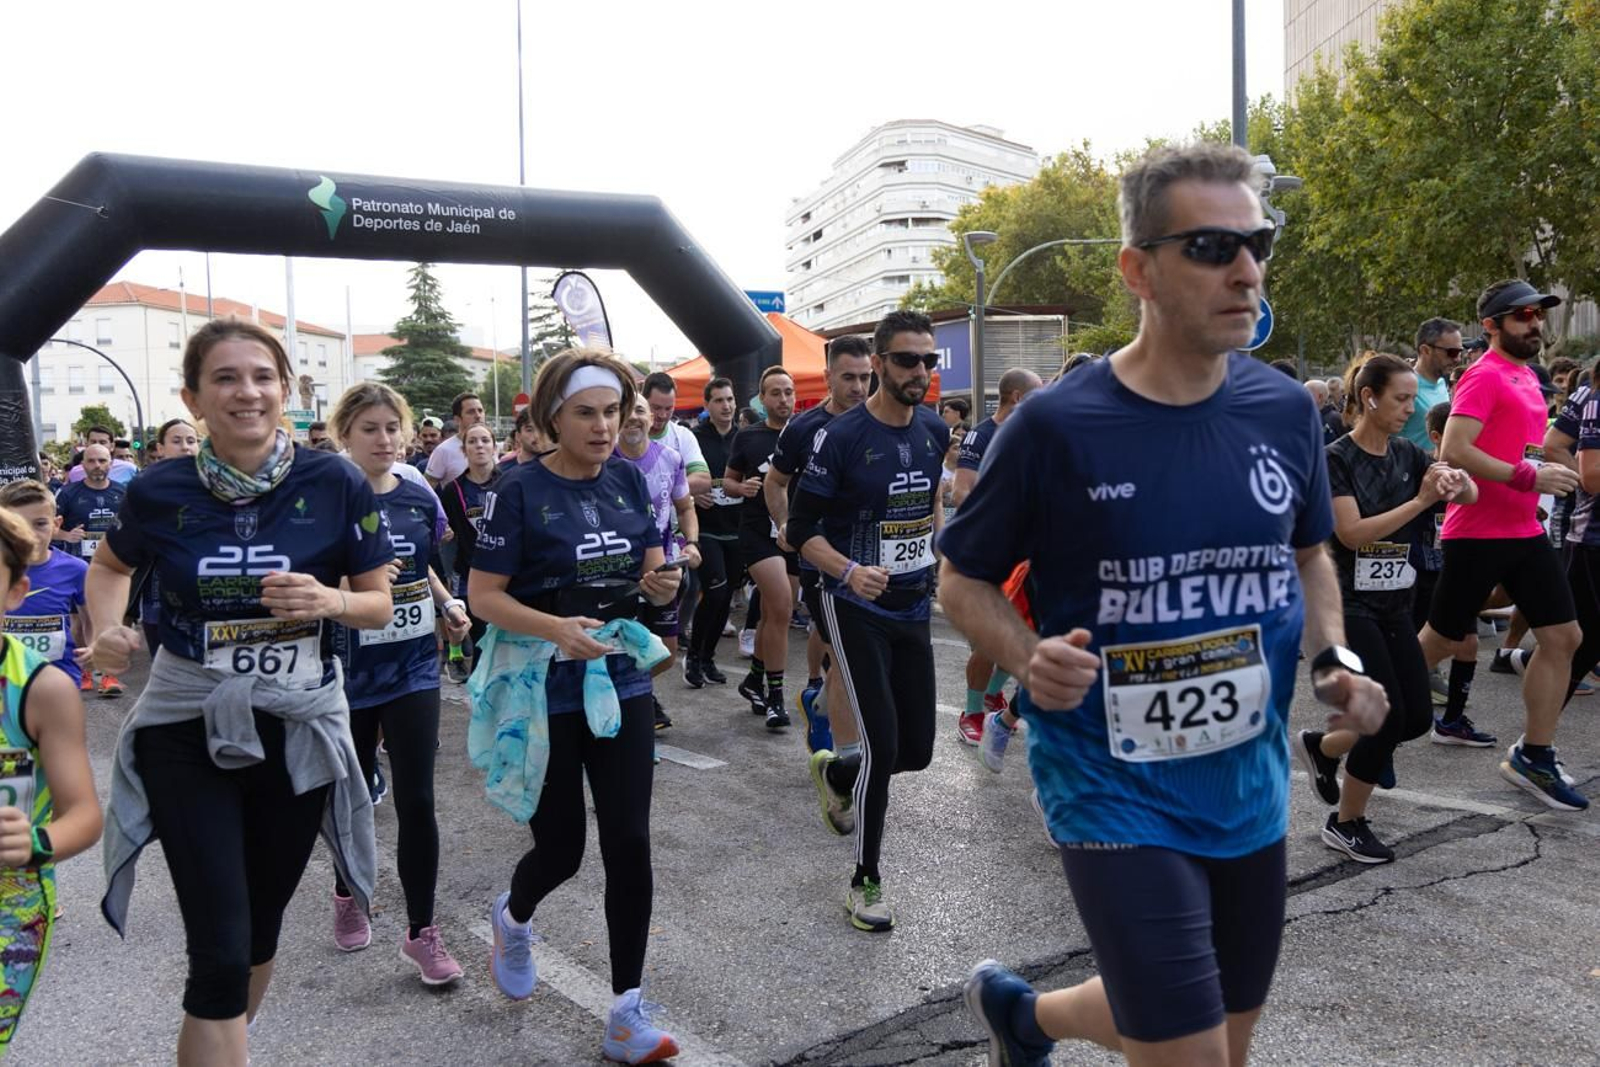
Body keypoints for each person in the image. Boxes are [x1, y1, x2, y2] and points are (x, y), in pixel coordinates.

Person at [942, 142, 1386, 1066]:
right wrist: (1027, 658)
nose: (1248, 269)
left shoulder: (1283, 410)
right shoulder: (1057, 425)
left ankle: (1025, 1019)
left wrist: (1333, 658)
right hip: (1112, 784)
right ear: (1137, 269)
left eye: (1256, 242)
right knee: (1191, 1051)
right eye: (1213, 246)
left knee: (1224, 1030)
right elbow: (962, 577)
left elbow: (1309, 549)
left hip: (1246, 785)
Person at [88, 318, 392, 1067]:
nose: (246, 391)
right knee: (220, 949)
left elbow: (378, 601)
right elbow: (109, 567)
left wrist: (329, 602)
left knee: (256, 935)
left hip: (296, 729)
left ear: (284, 390)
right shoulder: (159, 489)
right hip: (189, 722)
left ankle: (218, 1041)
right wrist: (105, 627)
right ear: (193, 396)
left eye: (261, 375)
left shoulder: (337, 480)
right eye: (225, 377)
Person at [469, 349, 682, 1065]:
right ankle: (515, 915)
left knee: (630, 839)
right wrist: (556, 628)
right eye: (586, 413)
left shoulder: (627, 477)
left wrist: (663, 588)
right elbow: (484, 595)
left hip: (619, 677)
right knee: (561, 848)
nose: (601, 426)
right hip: (542, 687)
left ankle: (626, 1010)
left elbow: (651, 569)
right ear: (552, 417)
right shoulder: (517, 491)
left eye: (612, 413)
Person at [790, 310, 948, 931]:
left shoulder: (934, 431)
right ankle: (865, 882)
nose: (921, 372)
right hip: (853, 604)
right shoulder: (843, 437)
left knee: (918, 752)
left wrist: (944, 549)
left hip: (913, 602)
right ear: (878, 364)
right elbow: (800, 530)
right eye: (908, 360)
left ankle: (838, 771)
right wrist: (849, 570)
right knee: (883, 745)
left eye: (929, 361)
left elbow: (929, 500)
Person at [1296, 354, 1476, 863]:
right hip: (1345, 603)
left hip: (1397, 602)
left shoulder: (1408, 453)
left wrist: (1458, 485)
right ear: (1369, 398)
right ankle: (1346, 822)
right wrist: (1421, 503)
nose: (1408, 409)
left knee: (1417, 716)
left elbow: (1471, 494)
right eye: (1399, 399)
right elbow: (1351, 535)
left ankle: (1324, 747)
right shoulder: (1333, 459)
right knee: (1387, 716)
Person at [1416, 279, 1587, 811]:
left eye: (1537, 315)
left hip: (1523, 529)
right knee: (1438, 644)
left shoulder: (1527, 377)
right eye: (1522, 316)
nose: (1534, 324)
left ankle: (1534, 754)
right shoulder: (1482, 376)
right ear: (1491, 325)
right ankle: (1348, 723)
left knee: (1563, 637)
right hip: (1479, 531)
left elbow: (1524, 446)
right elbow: (1456, 448)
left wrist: (1549, 468)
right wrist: (1525, 477)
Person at [325, 382, 471, 984]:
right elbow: (306, 579)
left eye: (392, 428)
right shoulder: (327, 499)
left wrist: (447, 603)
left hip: (413, 662)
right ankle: (346, 892)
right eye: (369, 429)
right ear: (345, 436)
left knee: (417, 800)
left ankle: (421, 932)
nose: (383, 440)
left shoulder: (417, 496)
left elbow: (423, 565)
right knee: (353, 796)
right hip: (349, 668)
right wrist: (355, 579)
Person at [0, 505, 103, 1054]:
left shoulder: (41, 690)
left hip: (10, 903)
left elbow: (84, 816)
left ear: (16, 592)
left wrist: (36, 842)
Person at [769, 335, 875, 761]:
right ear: (827, 376)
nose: (858, 387)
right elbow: (775, 484)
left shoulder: (882, 422)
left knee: (855, 659)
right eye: (848, 377)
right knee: (846, 655)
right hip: (818, 556)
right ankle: (846, 757)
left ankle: (818, 704)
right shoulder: (803, 428)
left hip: (871, 558)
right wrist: (784, 524)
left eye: (866, 377)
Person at [951, 368, 1043, 745]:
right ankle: (972, 711)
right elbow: (961, 491)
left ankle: (992, 693)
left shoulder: (1032, 434)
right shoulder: (982, 435)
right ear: (1018, 398)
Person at [615, 392, 700, 731]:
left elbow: (685, 507)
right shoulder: (604, 461)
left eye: (640, 410)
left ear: (652, 418)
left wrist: (691, 542)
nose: (633, 418)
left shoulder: (670, 457)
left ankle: (628, 692)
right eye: (626, 411)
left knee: (665, 650)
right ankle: (634, 704)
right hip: (619, 573)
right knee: (624, 646)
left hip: (663, 570)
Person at [724, 367, 798, 729]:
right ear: (762, 398)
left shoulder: (807, 431)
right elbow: (728, 481)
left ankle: (754, 678)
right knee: (782, 606)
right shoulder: (749, 437)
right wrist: (743, 489)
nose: (783, 399)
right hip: (757, 533)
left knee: (774, 615)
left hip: (797, 533)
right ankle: (777, 697)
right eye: (775, 393)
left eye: (788, 392)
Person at [0, 481, 90, 691]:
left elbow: (90, 620)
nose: (29, 534)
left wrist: (94, 645)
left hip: (60, 679)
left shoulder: (76, 569)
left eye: (40, 523)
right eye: (17, 524)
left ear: (57, 523)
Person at [52, 443, 126, 697]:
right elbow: (50, 528)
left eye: (102, 461)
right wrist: (66, 534)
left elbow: (133, 528)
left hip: (111, 568)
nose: (97, 466)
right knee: (83, 622)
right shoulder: (68, 493)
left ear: (110, 463)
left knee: (107, 619)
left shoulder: (122, 493)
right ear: (82, 465)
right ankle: (84, 669)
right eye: (92, 461)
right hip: (78, 567)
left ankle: (108, 675)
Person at [684, 377, 742, 688]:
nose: (726, 406)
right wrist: (694, 495)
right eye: (719, 400)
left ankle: (708, 656)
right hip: (706, 529)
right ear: (707, 405)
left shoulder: (743, 437)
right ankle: (694, 656)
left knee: (726, 595)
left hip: (737, 527)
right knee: (716, 590)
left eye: (730, 399)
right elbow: (680, 479)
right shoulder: (696, 438)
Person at [439, 424, 502, 683]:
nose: (479, 446)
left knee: (502, 636)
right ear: (464, 451)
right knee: (480, 637)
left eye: (485, 440)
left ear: (494, 447)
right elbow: (444, 531)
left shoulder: (509, 482)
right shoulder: (453, 490)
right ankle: (479, 690)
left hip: (506, 572)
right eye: (473, 442)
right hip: (470, 571)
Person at [133, 419, 202, 655]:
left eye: (191, 441)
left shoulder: (219, 486)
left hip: (206, 593)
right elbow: (115, 560)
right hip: (157, 590)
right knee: (163, 661)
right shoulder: (144, 488)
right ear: (160, 449)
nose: (185, 446)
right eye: (177, 441)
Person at [1401, 319, 1462, 451]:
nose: (1457, 359)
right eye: (1452, 352)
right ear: (1425, 350)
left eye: (1460, 352)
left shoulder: (1441, 383)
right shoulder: (1403, 387)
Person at [424, 392, 486, 488]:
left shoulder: (492, 447)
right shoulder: (443, 450)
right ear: (457, 419)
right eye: (471, 412)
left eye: (480, 410)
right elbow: (427, 488)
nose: (478, 415)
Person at [498, 406, 547, 472]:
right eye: (529, 430)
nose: (536, 436)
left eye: (541, 429)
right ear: (518, 436)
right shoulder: (502, 471)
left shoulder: (558, 469)